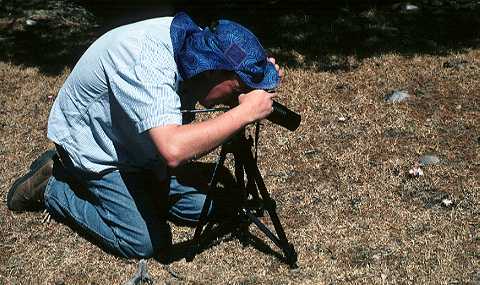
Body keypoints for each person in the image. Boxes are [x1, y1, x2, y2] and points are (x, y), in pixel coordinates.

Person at [7, 12, 283, 258]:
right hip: (96, 147)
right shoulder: (146, 61)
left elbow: (233, 65)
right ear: (211, 71)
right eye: (236, 92)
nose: (236, 100)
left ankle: (141, 192)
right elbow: (173, 150)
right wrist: (243, 114)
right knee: (143, 242)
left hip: (139, 143)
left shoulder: (197, 47)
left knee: (211, 206)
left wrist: (259, 75)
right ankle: (56, 186)